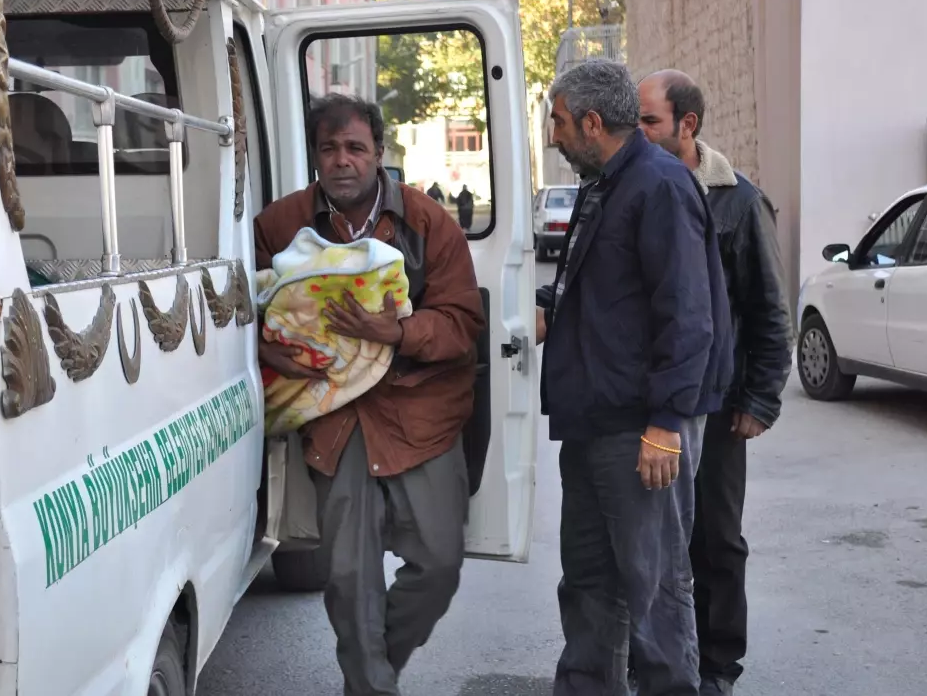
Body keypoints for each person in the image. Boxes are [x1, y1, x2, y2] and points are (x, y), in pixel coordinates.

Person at [253, 93, 484, 696]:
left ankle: (370, 667)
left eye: (355, 147)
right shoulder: (279, 226)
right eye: (328, 149)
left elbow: (463, 324)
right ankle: (370, 687)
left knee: (437, 567)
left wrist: (398, 332)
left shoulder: (428, 222)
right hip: (333, 414)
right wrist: (264, 346)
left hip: (420, 414)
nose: (342, 161)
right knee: (349, 578)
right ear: (315, 156)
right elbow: (244, 309)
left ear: (379, 153)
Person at [534, 60, 733, 696]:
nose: (554, 137)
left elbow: (689, 317)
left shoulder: (661, 186)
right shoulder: (604, 185)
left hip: (640, 430)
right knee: (589, 584)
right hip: (593, 424)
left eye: (560, 123)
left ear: (593, 123)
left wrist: (666, 424)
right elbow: (605, 294)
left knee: (656, 591)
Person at [638, 70, 793, 696]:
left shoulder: (738, 200)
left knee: (716, 541)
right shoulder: (637, 187)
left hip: (723, 405)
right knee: (654, 540)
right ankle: (655, 658)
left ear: (687, 125)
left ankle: (717, 667)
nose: (640, 132)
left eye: (650, 121)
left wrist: (760, 400)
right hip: (658, 403)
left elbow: (770, 310)